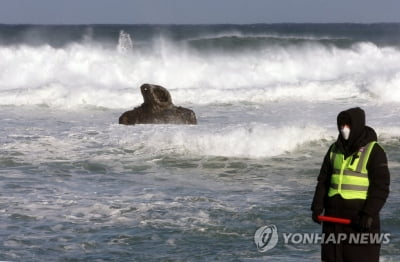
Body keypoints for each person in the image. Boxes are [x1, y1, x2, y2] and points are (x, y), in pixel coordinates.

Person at [311, 107, 390, 262]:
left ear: (358, 125)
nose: (344, 129)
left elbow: (381, 187)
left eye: (348, 125)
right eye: (341, 125)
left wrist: (368, 214)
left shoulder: (374, 151)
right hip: (333, 222)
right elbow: (323, 181)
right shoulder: (334, 149)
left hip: (360, 223)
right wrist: (317, 206)